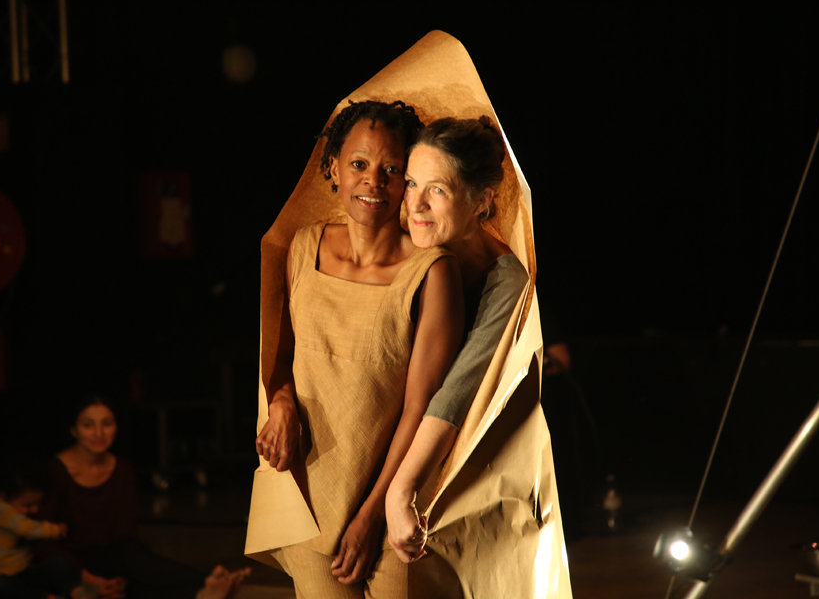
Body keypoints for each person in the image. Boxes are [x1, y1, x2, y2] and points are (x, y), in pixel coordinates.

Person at [250, 100, 465, 597]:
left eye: (392, 169)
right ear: (333, 169)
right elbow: (282, 360)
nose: (374, 181)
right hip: (309, 499)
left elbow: (422, 407)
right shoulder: (303, 248)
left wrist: (374, 515)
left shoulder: (432, 271)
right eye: (359, 164)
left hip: (396, 506)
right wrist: (281, 402)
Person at [384, 117, 530, 564]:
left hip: (443, 479)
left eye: (438, 190)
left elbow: (456, 392)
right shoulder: (403, 248)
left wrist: (401, 490)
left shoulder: (505, 280)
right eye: (412, 183)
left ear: (481, 201)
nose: (416, 204)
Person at [38, 394, 249, 599]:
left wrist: (120, 575)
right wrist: (86, 577)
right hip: (69, 563)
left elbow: (125, 533)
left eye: (107, 424)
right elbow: (42, 540)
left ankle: (203, 593)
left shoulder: (122, 469)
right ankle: (207, 582)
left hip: (115, 558)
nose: (99, 433)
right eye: (88, 425)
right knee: (131, 561)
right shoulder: (56, 470)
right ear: (73, 430)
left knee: (135, 569)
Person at [0, 453, 84, 599]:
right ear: (2, 496)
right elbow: (26, 528)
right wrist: (56, 529)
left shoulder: (6, 505)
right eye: (28, 505)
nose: (35, 510)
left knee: (57, 564)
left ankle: (76, 591)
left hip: (23, 573)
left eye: (38, 504)